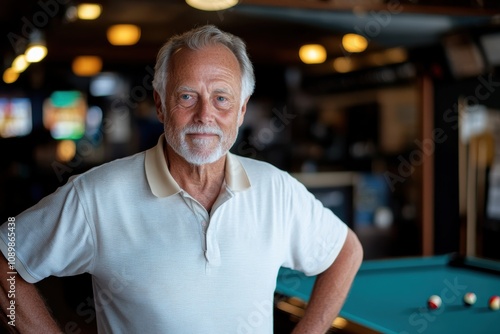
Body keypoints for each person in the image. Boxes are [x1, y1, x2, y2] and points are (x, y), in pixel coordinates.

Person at [0, 25, 363, 333]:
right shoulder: (95, 195)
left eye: (221, 98)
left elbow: (347, 250)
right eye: (187, 96)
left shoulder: (277, 189)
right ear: (160, 104)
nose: (205, 115)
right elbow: (5, 254)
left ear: (240, 111)